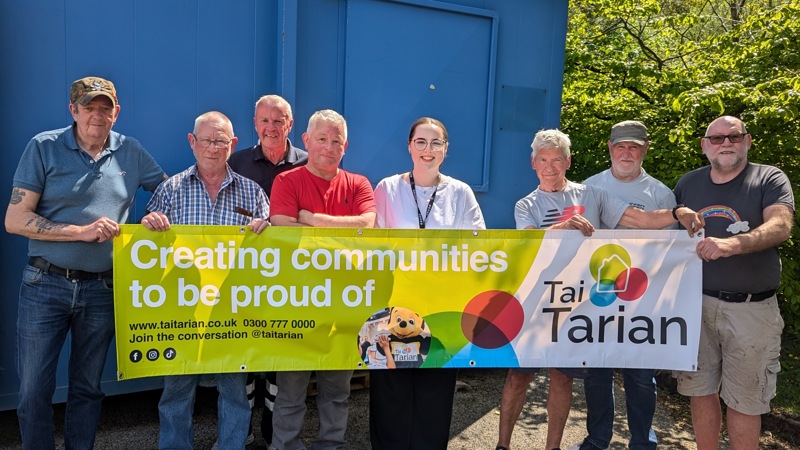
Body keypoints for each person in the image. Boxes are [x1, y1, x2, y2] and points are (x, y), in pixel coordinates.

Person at [495, 129, 703, 450]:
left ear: (568, 161)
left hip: (579, 305)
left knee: (562, 377)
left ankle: (553, 447)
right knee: (518, 376)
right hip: (537, 302)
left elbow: (642, 220)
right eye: (543, 160)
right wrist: (564, 226)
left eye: (557, 160)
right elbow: (528, 244)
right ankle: (503, 445)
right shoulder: (526, 204)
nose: (550, 166)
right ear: (533, 163)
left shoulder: (592, 194)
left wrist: (678, 212)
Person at [4, 76, 166, 450]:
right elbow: (15, 220)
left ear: (116, 112)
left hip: (103, 288)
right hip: (45, 285)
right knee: (32, 391)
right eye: (89, 107)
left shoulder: (131, 151)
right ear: (73, 110)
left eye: (105, 107)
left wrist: (156, 217)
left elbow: (170, 191)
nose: (97, 115)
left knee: (87, 389)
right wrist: (79, 231)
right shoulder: (43, 147)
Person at [142, 111, 270, 450]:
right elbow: (146, 250)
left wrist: (266, 231)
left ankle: (231, 446)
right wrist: (150, 223)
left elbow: (273, 257)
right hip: (184, 309)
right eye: (207, 140)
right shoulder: (170, 190)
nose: (214, 148)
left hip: (232, 311)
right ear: (192, 142)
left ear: (234, 145)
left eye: (222, 141)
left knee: (233, 390)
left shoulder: (253, 193)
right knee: (177, 390)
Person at [673, 116, 794, 450]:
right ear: (704, 145)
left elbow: (781, 225)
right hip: (694, 306)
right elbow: (664, 235)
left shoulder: (768, 178)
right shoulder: (688, 184)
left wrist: (734, 244)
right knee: (699, 390)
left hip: (751, 309)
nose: (725, 143)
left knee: (745, 400)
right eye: (716, 138)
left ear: (747, 140)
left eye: (734, 137)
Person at [370, 117, 486, 449]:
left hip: (441, 310)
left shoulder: (460, 192)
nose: (428, 150)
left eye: (436, 143)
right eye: (421, 142)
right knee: (391, 393)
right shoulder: (388, 188)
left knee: (434, 395)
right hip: (394, 307)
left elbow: (478, 246)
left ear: (446, 150)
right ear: (409, 146)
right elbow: (374, 245)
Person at [269, 109, 376, 450]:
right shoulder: (287, 180)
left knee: (337, 392)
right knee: (291, 392)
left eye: (336, 141)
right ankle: (285, 446)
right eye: (322, 140)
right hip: (297, 303)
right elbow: (283, 230)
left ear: (345, 145)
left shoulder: (358, 183)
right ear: (306, 141)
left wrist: (312, 219)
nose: (329, 148)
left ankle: (330, 445)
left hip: (345, 306)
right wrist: (343, 231)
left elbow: (368, 226)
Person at [568, 120, 675, 450]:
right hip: (597, 295)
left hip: (642, 299)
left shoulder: (660, 193)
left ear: (645, 150)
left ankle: (643, 440)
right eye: (620, 146)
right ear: (610, 148)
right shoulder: (589, 187)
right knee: (597, 373)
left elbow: (674, 252)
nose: (626, 152)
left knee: (641, 375)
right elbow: (574, 242)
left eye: (634, 146)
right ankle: (598, 439)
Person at [228, 94, 308, 447]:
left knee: (280, 356)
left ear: (291, 124)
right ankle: (239, 432)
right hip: (244, 277)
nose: (271, 128)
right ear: (254, 124)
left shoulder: (308, 163)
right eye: (264, 121)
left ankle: (274, 433)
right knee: (243, 355)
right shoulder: (236, 161)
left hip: (293, 278)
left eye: (279, 121)